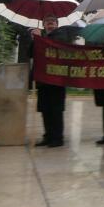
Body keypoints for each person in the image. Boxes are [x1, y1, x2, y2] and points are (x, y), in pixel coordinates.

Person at [31, 15, 67, 147]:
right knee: (45, 109)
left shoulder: (62, 36)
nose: (50, 24)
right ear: (43, 24)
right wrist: (34, 40)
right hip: (42, 79)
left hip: (57, 79)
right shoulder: (40, 37)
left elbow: (57, 48)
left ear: (57, 24)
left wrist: (40, 38)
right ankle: (48, 136)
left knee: (56, 110)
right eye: (47, 22)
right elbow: (30, 53)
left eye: (52, 22)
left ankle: (57, 138)